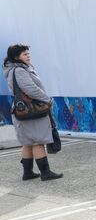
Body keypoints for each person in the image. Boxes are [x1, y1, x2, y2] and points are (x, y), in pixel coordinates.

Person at [3, 44, 62, 181]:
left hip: (23, 110)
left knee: (28, 142)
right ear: (16, 57)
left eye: (28, 53)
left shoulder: (15, 69)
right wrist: (47, 100)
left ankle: (28, 172)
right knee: (37, 141)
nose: (28, 56)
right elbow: (30, 89)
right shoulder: (19, 70)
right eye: (24, 54)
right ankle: (46, 172)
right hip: (32, 110)